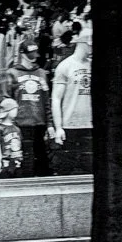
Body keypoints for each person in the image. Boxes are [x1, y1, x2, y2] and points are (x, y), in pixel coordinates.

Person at [48, 29, 94, 173]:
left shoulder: (93, 65)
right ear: (84, 43)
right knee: (67, 167)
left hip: (90, 125)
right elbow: (56, 99)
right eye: (91, 45)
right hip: (69, 125)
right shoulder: (65, 66)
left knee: (90, 168)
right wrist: (59, 127)